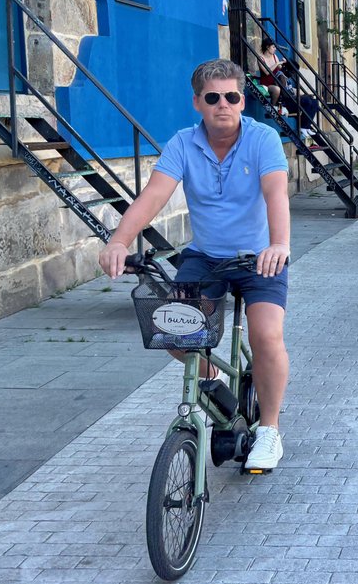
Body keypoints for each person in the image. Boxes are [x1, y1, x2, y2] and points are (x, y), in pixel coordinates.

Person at [99, 59, 292, 474]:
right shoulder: (183, 144)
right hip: (205, 257)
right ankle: (217, 387)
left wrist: (279, 243)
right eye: (213, 98)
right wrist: (118, 240)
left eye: (232, 96)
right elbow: (154, 195)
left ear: (242, 100)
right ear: (197, 103)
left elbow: (276, 191)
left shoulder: (263, 139)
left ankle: (270, 431)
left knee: (266, 335)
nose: (223, 104)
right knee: (169, 328)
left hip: (259, 257)